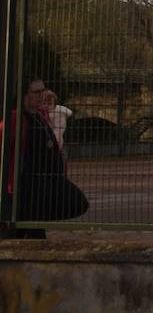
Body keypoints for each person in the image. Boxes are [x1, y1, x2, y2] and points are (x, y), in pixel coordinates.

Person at [1, 78, 88, 238]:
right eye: (37, 92)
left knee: (77, 203)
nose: (42, 95)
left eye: (43, 90)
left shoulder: (40, 116)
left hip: (47, 182)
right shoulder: (15, 118)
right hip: (27, 185)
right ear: (24, 95)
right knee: (30, 229)